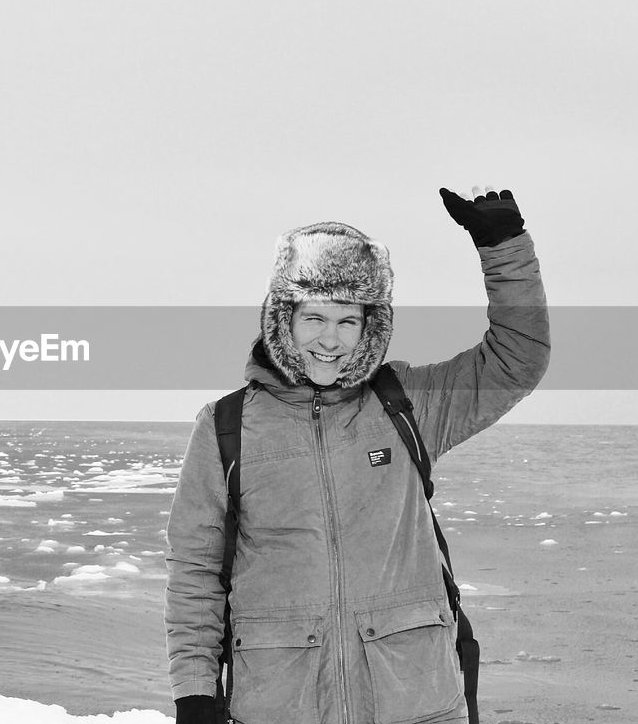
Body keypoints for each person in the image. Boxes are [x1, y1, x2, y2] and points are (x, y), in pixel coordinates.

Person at [164, 187, 551, 724]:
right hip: (280, 707)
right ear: (283, 320)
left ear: (371, 328)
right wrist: (194, 693)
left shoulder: (407, 405)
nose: (331, 340)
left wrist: (503, 246)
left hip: (415, 704)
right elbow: (196, 572)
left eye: (349, 321)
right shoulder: (226, 426)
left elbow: (517, 359)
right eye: (314, 319)